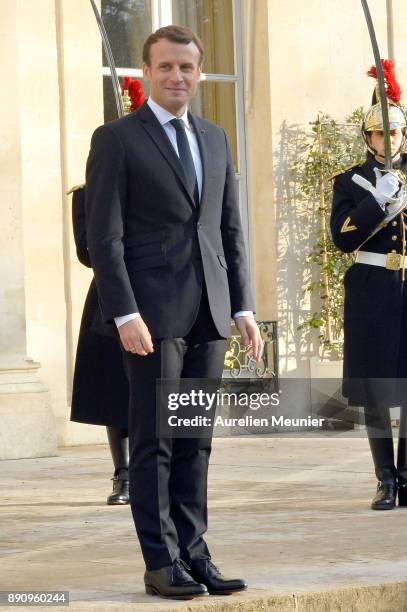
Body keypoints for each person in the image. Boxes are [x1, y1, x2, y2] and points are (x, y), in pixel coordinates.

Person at [85, 25, 263, 599]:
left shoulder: (215, 138)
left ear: (200, 73)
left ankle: (195, 551)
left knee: (195, 440)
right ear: (146, 74)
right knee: (156, 440)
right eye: (165, 67)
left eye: (186, 68)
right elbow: (104, 237)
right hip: (152, 317)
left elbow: (229, 229)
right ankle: (160, 561)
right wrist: (124, 313)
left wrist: (243, 305)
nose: (176, 77)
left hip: (209, 312)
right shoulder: (117, 139)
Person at [330, 60, 407, 511]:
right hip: (372, 286)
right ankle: (386, 480)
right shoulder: (350, 181)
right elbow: (341, 238)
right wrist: (378, 201)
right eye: (378, 134)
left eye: (394, 133)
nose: (387, 140)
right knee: (378, 390)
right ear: (368, 138)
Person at [70, 185, 130, 505]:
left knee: (169, 386)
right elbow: (86, 253)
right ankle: (124, 475)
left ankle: (171, 474)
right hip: (112, 295)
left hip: (168, 290)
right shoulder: (89, 194)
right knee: (114, 386)